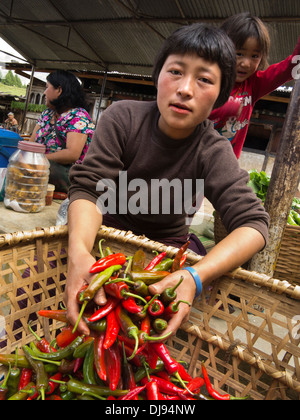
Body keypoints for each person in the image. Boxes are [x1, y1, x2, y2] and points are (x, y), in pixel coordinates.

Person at [65, 23, 270, 337]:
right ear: (157, 75)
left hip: (165, 253)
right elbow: (89, 188)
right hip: (103, 238)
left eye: (204, 79)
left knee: (152, 334)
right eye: (175, 71)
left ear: (220, 95)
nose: (186, 88)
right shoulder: (122, 118)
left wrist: (195, 276)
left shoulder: (213, 150)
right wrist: (79, 251)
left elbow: (254, 225)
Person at [209, 12, 300, 159]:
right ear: (221, 48)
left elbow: (290, 67)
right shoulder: (206, 79)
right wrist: (225, 108)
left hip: (224, 167)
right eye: (239, 53)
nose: (246, 63)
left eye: (254, 56)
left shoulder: (254, 84)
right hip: (192, 160)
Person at [30, 70, 95, 193]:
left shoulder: (78, 116)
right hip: (41, 176)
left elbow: (72, 154)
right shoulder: (47, 114)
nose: (44, 93)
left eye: (47, 87)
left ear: (59, 90)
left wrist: (40, 160)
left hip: (67, 182)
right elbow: (31, 144)